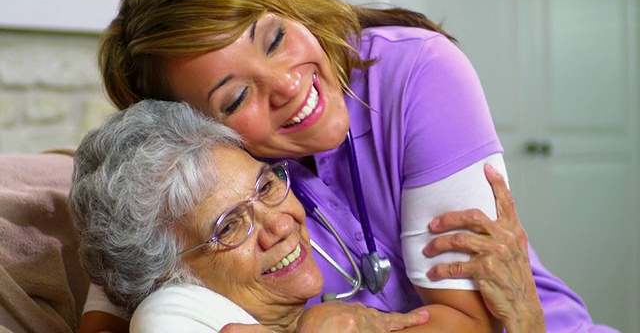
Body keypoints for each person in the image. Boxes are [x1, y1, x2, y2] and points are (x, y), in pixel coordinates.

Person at [91, 0, 617, 332]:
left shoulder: (419, 73)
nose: (287, 84)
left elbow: (469, 321)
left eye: (274, 40)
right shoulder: (219, 188)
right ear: (193, 131)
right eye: (236, 97)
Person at [68, 99, 487, 332]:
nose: (281, 224)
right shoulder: (167, 316)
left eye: (266, 186)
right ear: (168, 278)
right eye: (230, 226)